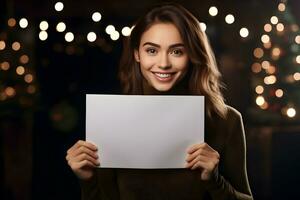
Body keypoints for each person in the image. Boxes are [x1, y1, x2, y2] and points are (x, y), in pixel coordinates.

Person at [66, 2, 253, 200]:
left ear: (192, 55)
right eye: (152, 51)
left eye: (177, 51)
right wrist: (87, 181)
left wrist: (215, 181)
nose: (163, 64)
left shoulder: (227, 120)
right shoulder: (112, 118)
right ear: (137, 54)